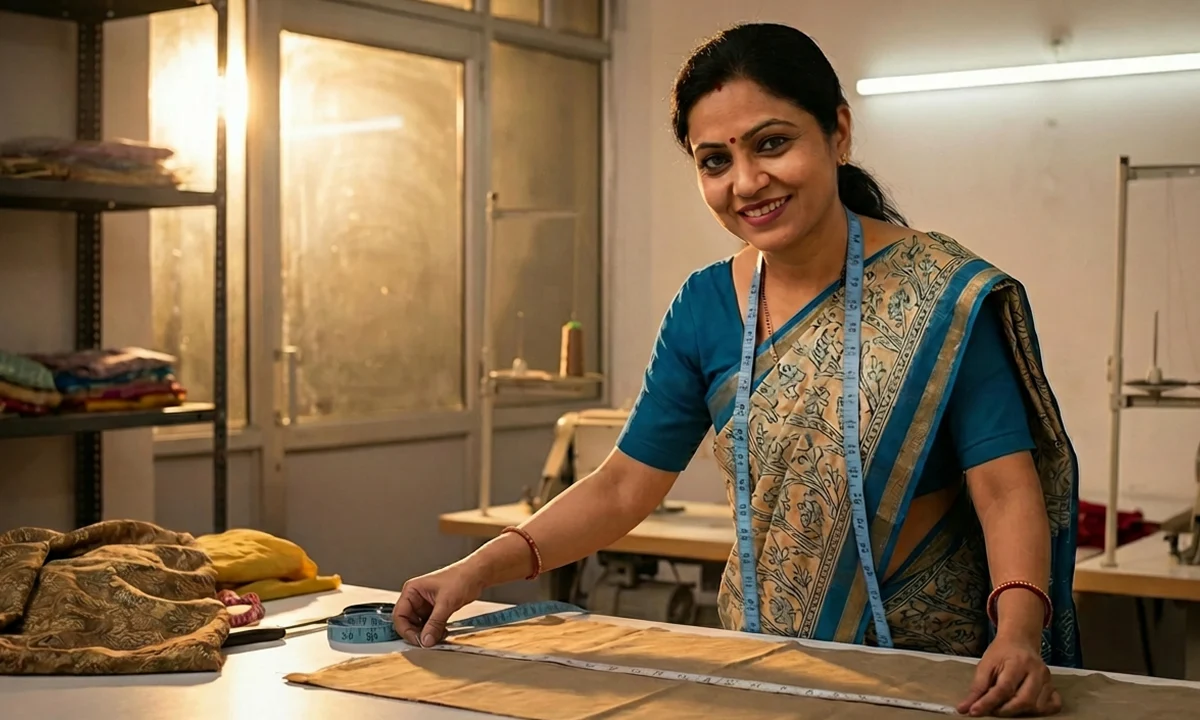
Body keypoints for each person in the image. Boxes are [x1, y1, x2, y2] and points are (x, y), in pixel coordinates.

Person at [394, 22, 1081, 718]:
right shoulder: (705, 306)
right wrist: (474, 570)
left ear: (838, 134)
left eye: (772, 144)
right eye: (714, 160)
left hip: (937, 678)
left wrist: (1019, 635)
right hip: (767, 674)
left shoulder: (944, 299)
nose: (746, 183)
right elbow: (624, 486)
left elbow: (1004, 490)